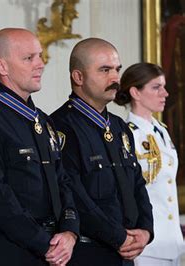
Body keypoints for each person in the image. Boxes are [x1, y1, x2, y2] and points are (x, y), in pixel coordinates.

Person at [0, 28, 79, 266]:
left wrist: (70, 231)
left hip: (54, 248)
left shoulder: (42, 121)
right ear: (2, 67)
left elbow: (63, 181)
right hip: (11, 250)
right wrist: (43, 244)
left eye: (40, 56)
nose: (40, 64)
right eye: (29, 58)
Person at [50, 38, 154, 265]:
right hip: (89, 252)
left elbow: (137, 182)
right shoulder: (60, 126)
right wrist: (118, 237)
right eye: (104, 70)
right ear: (78, 77)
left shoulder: (119, 126)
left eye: (117, 69)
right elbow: (73, 193)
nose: (115, 78)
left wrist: (146, 230)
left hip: (126, 253)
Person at [115, 62, 185, 266]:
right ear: (135, 92)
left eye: (163, 86)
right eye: (156, 87)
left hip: (172, 241)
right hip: (148, 245)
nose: (165, 93)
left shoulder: (161, 130)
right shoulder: (128, 134)